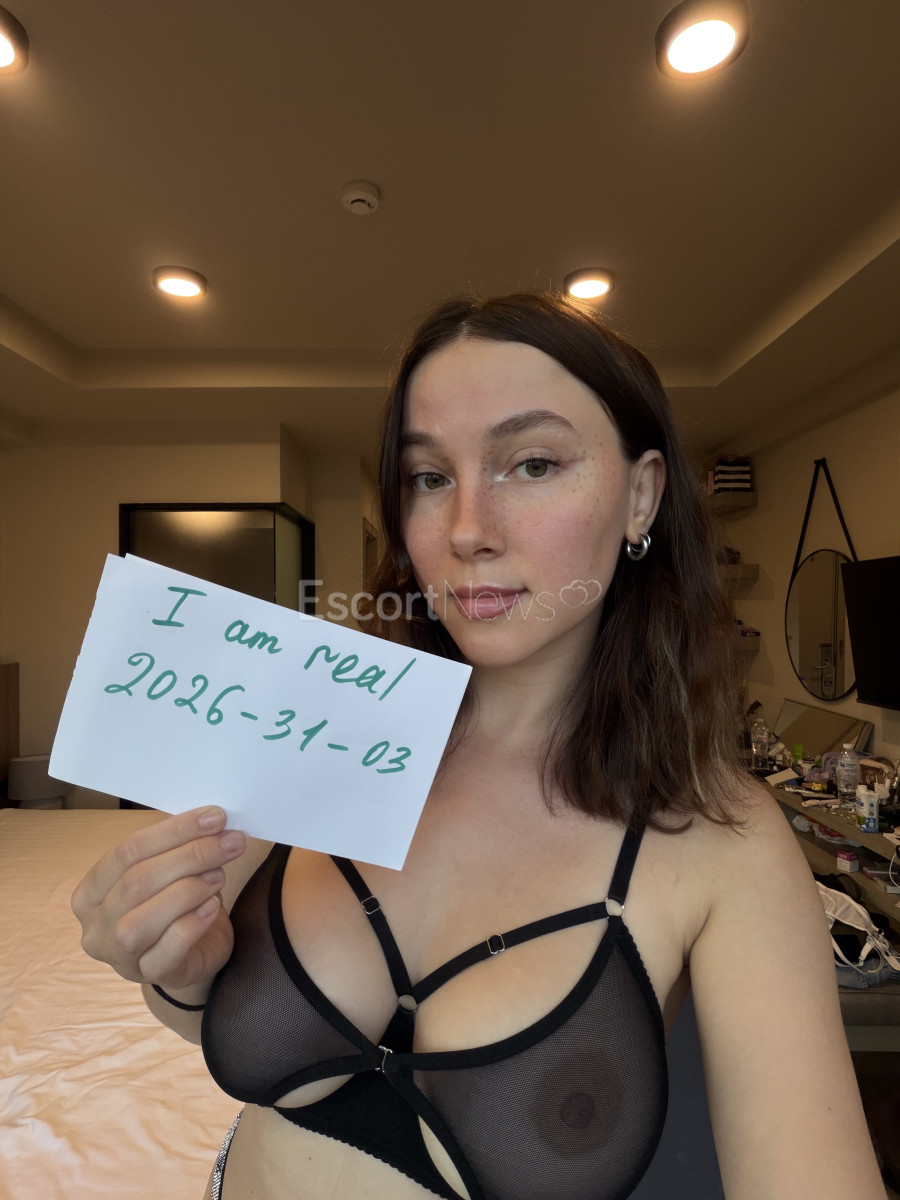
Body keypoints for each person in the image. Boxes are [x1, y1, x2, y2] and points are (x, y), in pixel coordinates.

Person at [72, 292, 887, 1200]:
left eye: (532, 464)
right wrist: (178, 974)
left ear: (642, 495)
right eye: (429, 477)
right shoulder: (322, 725)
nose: (465, 530)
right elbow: (250, 1041)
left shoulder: (725, 841)